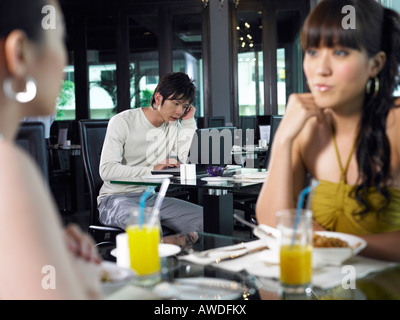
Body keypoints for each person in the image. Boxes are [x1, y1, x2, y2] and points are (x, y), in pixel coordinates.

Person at [256, 0, 400, 261]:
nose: (320, 69)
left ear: (375, 64)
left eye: (340, 52)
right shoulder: (307, 128)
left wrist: (332, 243)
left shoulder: (396, 122)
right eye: (312, 52)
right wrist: (283, 139)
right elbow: (271, 224)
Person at [0, 0, 102, 299]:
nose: (65, 61)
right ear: (19, 54)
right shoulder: (10, 169)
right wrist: (80, 277)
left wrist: (42, 239)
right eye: (60, 39)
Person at [98, 72, 203, 234]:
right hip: (114, 199)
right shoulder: (122, 121)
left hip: (151, 198)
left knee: (205, 218)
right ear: (158, 98)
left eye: (184, 106)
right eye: (176, 103)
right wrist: (153, 171)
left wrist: (188, 122)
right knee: (147, 225)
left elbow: (188, 159)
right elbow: (107, 171)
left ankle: (190, 257)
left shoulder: (174, 126)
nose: (179, 111)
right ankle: (162, 256)